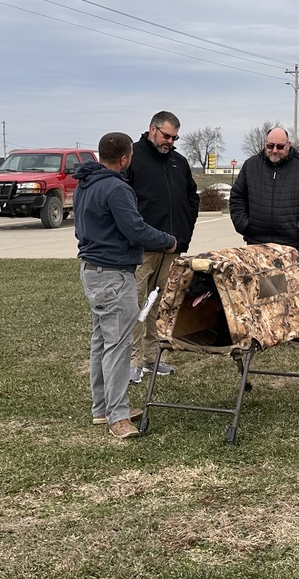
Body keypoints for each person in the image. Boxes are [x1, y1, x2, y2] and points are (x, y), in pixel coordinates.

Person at [74, 132, 177, 439]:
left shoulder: (85, 184)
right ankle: (118, 417)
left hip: (91, 272)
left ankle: (102, 408)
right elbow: (135, 229)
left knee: (101, 342)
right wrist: (168, 241)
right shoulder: (116, 188)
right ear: (124, 159)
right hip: (115, 275)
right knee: (118, 346)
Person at [126, 111, 200, 384]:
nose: (169, 141)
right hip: (141, 249)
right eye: (166, 135)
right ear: (152, 129)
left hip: (173, 248)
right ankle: (132, 361)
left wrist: (185, 230)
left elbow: (192, 198)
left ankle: (154, 357)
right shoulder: (132, 158)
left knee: (161, 305)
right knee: (135, 304)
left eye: (174, 137)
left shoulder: (179, 162)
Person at [229, 127, 299, 275]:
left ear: (288, 145)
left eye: (280, 146)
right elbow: (237, 198)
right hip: (257, 245)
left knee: (294, 296)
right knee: (260, 295)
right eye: (270, 146)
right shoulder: (250, 166)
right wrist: (245, 225)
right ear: (264, 144)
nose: (274, 150)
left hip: (293, 247)